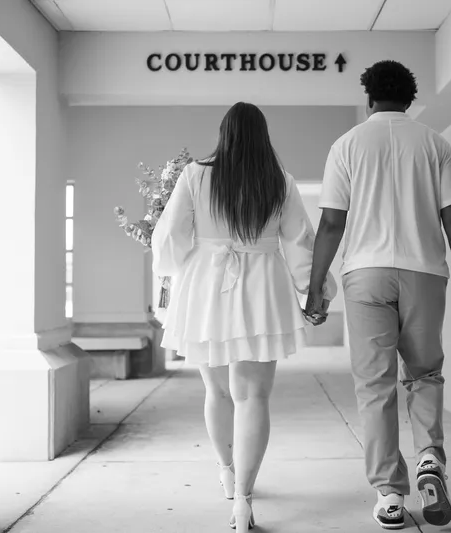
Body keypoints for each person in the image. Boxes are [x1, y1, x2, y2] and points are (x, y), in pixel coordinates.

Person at [305, 60, 451, 530]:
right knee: (425, 374)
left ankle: (389, 495)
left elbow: (331, 223)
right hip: (424, 274)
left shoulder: (346, 145)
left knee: (374, 386)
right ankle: (429, 459)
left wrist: (317, 285)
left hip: (364, 275)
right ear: (409, 96)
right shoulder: (434, 143)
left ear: (368, 97)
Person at [152, 102, 336, 532]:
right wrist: (318, 293)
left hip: (206, 288)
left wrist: (168, 267)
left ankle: (227, 473)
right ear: (262, 136)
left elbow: (171, 239)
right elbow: (300, 244)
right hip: (262, 288)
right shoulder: (279, 180)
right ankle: (244, 501)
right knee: (253, 397)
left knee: (217, 393)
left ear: (224, 133)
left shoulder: (196, 175)